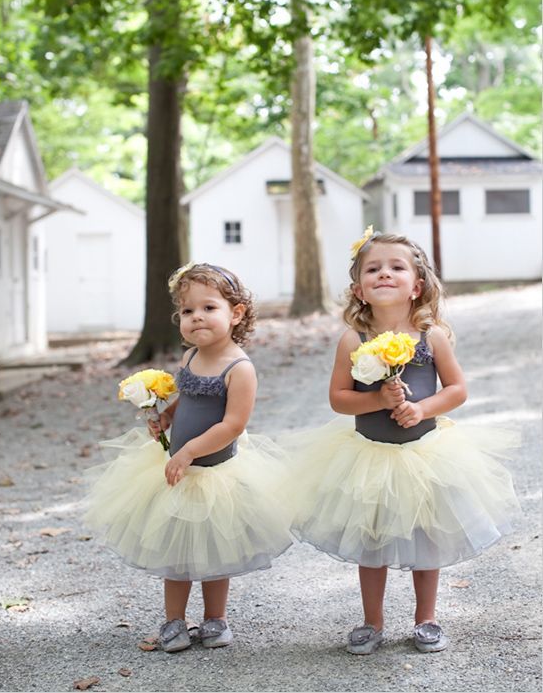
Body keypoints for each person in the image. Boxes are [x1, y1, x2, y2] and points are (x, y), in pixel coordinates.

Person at [286, 227, 519, 655]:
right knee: (370, 539)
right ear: (359, 289)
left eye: (397, 267)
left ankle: (426, 618)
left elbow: (457, 389)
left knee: (425, 537)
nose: (385, 274)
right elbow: (339, 399)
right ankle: (372, 621)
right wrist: (376, 397)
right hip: (368, 457)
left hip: (424, 454)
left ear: (418, 285)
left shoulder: (431, 337)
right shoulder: (353, 340)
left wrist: (422, 408)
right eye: (373, 269)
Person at [84, 263, 292, 653]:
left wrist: (191, 450)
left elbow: (232, 424)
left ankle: (216, 619)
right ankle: (174, 621)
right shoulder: (190, 358)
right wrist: (166, 416)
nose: (197, 317)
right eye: (188, 311)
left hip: (216, 474)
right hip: (179, 471)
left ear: (237, 313)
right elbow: (188, 398)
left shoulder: (240, 368)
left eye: (209, 308)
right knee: (176, 550)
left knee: (216, 550)